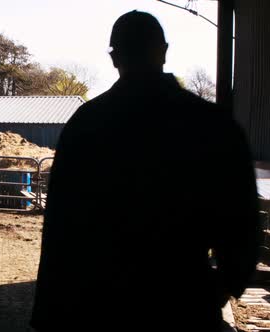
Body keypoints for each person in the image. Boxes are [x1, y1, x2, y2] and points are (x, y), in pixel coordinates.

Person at [31, 11, 260, 332]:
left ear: (114, 58)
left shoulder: (86, 124)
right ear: (164, 51)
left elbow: (61, 227)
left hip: (100, 307)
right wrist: (220, 290)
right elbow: (242, 224)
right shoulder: (212, 124)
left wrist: (50, 313)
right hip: (183, 303)